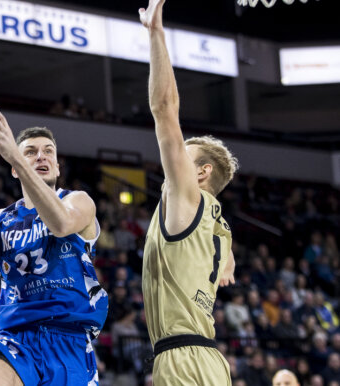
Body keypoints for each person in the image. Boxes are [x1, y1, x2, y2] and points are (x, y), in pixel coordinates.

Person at [0, 114, 108, 386]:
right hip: (15, 337)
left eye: (48, 152)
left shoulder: (78, 201)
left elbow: (62, 223)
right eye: (30, 152)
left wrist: (16, 156)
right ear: (15, 170)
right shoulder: (0, 220)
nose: (41, 156)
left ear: (57, 167)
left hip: (69, 339)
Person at [139, 0, 239, 385]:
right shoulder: (218, 226)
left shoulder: (189, 200)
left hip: (183, 359)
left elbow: (165, 108)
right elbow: (228, 264)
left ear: (202, 172)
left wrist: (155, 34)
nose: (172, 163)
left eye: (185, 157)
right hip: (208, 360)